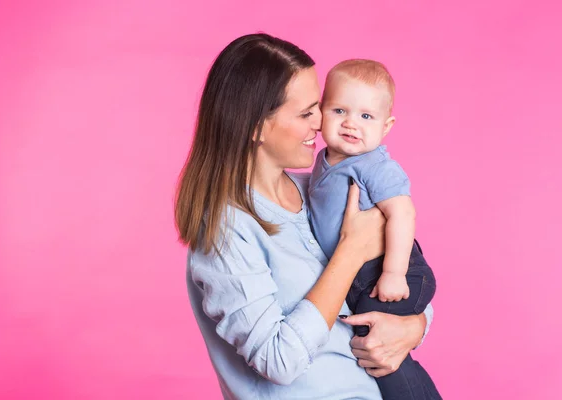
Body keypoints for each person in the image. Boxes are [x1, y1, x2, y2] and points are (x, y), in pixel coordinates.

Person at [175, 33, 435, 400]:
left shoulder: (319, 190)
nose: (321, 122)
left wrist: (416, 326)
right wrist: (349, 252)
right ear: (255, 127)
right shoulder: (225, 229)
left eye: (320, 106)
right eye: (306, 112)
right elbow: (278, 361)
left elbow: (399, 286)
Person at [308, 59, 441, 399]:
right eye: (340, 110)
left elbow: (402, 213)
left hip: (396, 270)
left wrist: (394, 273)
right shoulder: (321, 163)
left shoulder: (374, 165)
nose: (351, 123)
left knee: (378, 350)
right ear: (320, 111)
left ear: (386, 126)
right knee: (375, 349)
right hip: (359, 276)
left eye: (366, 116)